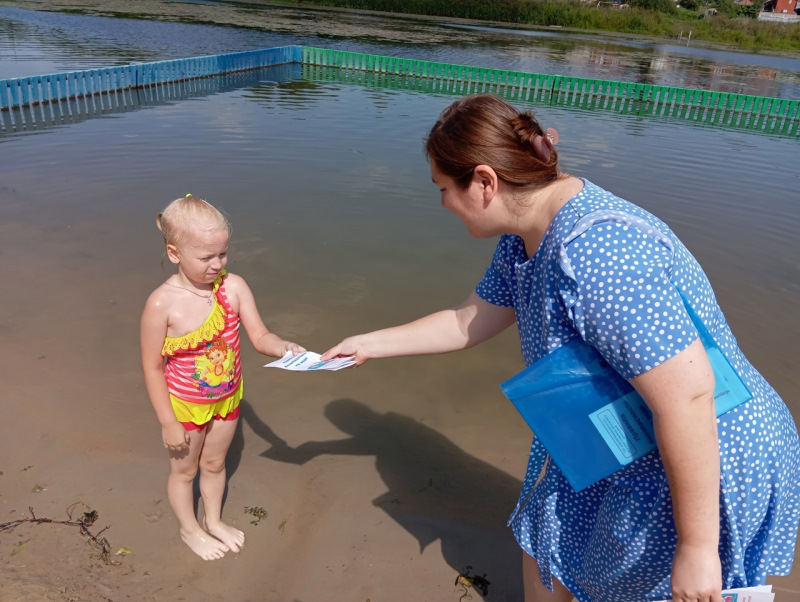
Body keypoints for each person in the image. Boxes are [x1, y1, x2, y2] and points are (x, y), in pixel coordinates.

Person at [321, 94, 800, 601]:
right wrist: (367, 343)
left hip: (707, 448)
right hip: (622, 428)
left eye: (443, 188)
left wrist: (697, 546)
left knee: (656, 582)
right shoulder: (526, 231)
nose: (442, 202)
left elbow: (688, 396)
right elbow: (469, 320)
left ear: (485, 181)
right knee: (547, 547)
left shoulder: (598, 252)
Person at [140, 194, 304, 560]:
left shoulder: (234, 288)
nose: (217, 265)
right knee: (185, 472)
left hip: (227, 400)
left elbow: (260, 337)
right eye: (206, 257)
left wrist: (283, 348)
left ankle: (213, 520)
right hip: (185, 407)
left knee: (215, 464)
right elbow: (152, 367)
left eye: (223, 254)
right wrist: (168, 422)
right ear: (174, 253)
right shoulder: (161, 304)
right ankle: (189, 529)